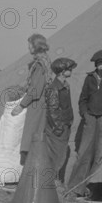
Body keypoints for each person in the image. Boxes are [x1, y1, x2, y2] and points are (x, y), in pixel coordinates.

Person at [67, 50, 102, 197]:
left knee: (101, 154)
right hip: (91, 118)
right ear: (96, 64)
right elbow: (83, 99)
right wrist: (85, 114)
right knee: (83, 153)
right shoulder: (90, 78)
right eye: (100, 63)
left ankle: (92, 190)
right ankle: (75, 189)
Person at [11, 34, 53, 165]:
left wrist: (21, 105)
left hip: (36, 105)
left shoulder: (40, 65)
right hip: (37, 104)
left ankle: (29, 174)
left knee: (31, 138)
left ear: (36, 46)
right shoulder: (43, 62)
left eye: (30, 44)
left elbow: (36, 90)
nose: (28, 47)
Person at [44, 57, 77, 185]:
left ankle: (54, 183)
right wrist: (58, 128)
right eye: (69, 69)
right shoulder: (54, 88)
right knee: (56, 157)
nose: (71, 71)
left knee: (60, 155)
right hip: (57, 128)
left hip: (63, 125)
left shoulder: (64, 86)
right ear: (62, 71)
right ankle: (49, 185)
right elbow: (52, 110)